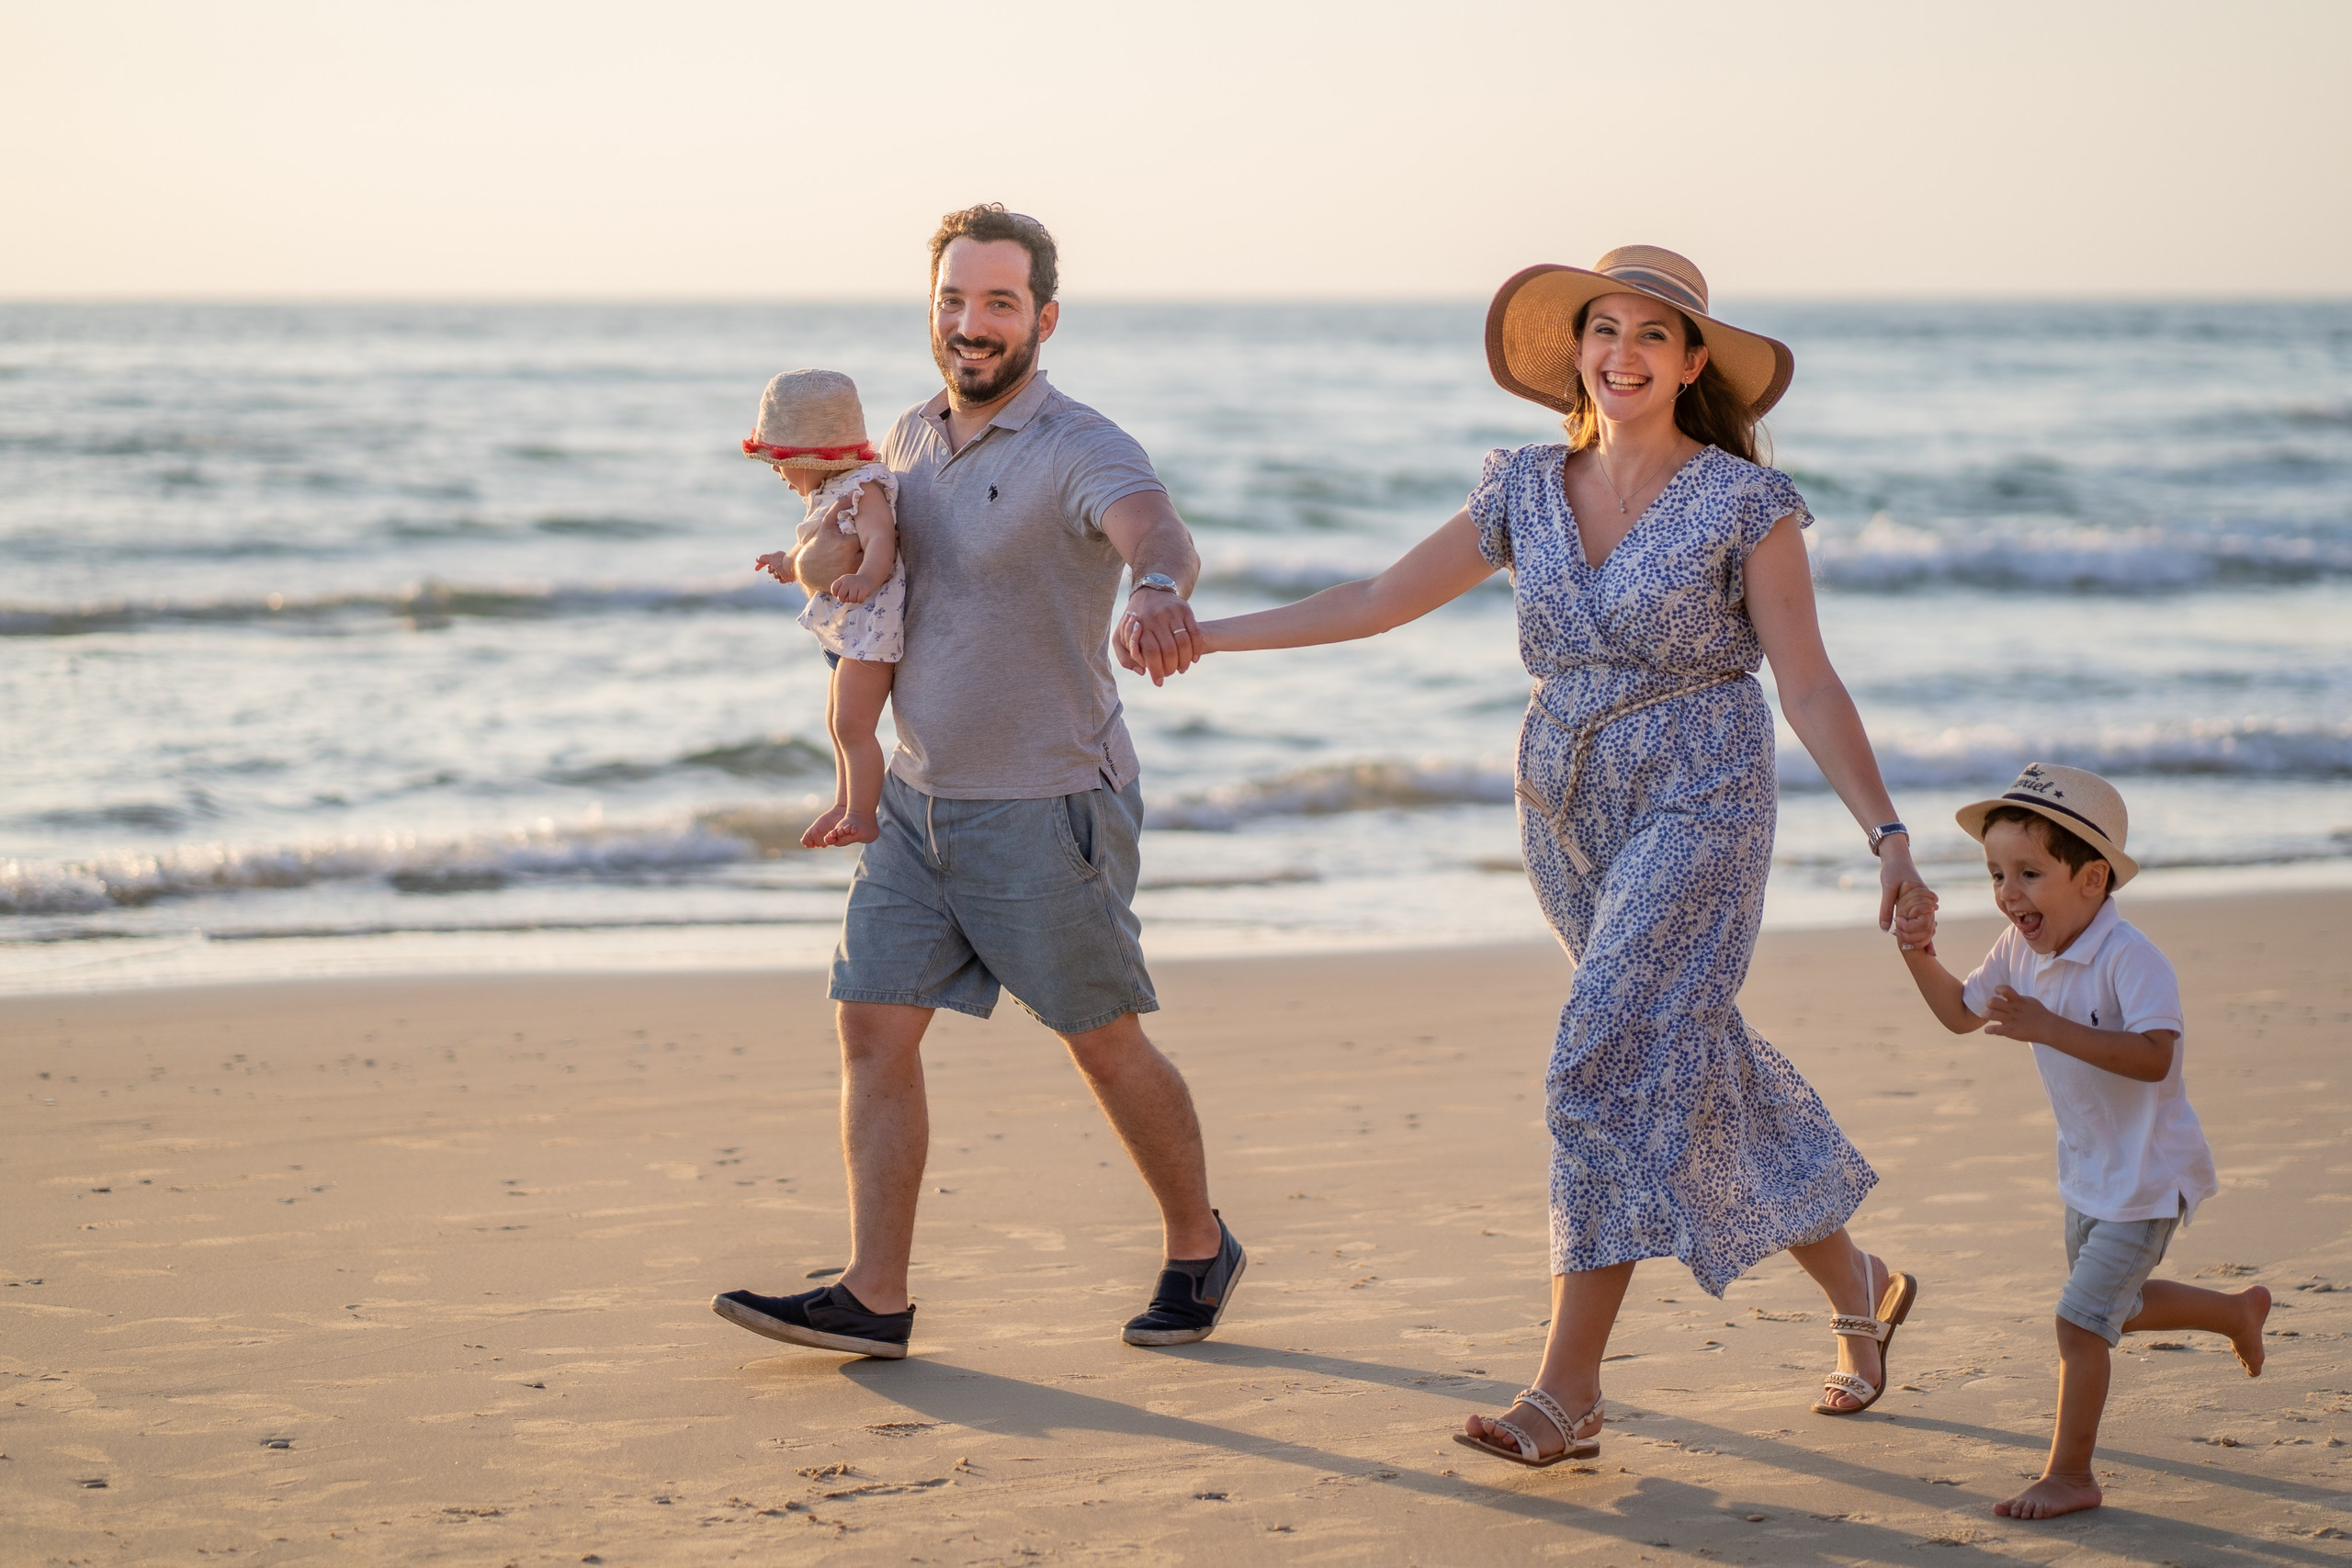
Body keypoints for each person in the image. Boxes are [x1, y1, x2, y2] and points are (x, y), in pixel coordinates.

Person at [1184, 247, 1932, 1464]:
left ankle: (1566, 1390)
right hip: (1565, 808)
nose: (1623, 354)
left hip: (1702, 792)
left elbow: (1806, 678)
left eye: (1653, 334)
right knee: (1679, 1050)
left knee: (1601, 1059)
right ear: (1577, 349)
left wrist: (1889, 836)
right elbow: (1377, 596)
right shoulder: (1523, 487)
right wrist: (1206, 637)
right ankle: (1863, 1283)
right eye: (1605, 329)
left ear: (1694, 363)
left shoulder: (1747, 501)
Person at [712, 205, 1241, 1361]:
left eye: (999, 302)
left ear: (1043, 318)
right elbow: (878, 571)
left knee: (1099, 1038)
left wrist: (1155, 590)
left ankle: (1198, 1245)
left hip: (1048, 805)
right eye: (953, 300)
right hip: (917, 801)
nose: (972, 324)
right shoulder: (900, 438)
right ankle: (875, 1293)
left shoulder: (1081, 446)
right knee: (869, 1027)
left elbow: (1157, 528)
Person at [1891, 763, 2267, 1521]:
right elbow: (1962, 1015)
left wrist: (2049, 1026)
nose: (2008, 892)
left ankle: (2071, 1473)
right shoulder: (2018, 948)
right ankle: (2235, 1312)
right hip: (2088, 1171)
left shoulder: (2132, 957)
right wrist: (1917, 952)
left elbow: (2157, 1053)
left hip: (2147, 1176)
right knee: (2112, 1313)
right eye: (1996, 873)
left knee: (2076, 1321)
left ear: (2092, 878)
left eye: (2029, 872)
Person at [746, 369, 902, 849]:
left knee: (854, 724)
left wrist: (867, 577)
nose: (777, 471)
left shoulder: (862, 489)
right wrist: (788, 563)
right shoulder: (827, 494)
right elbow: (819, 550)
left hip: (871, 631)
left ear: (810, 457)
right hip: (846, 631)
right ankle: (843, 801)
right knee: (836, 722)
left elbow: (881, 540)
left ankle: (863, 813)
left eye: (781, 461)